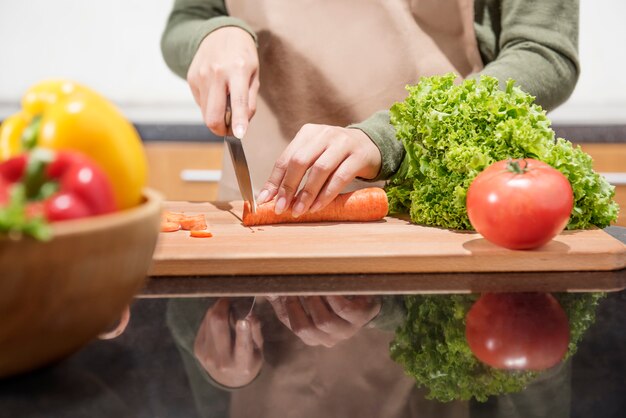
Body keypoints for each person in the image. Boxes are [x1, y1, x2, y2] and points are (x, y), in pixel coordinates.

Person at [161, 1, 579, 417]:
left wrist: (390, 135)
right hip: (260, 207)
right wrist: (211, 35)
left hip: (434, 214)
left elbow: (543, 52)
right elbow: (187, 20)